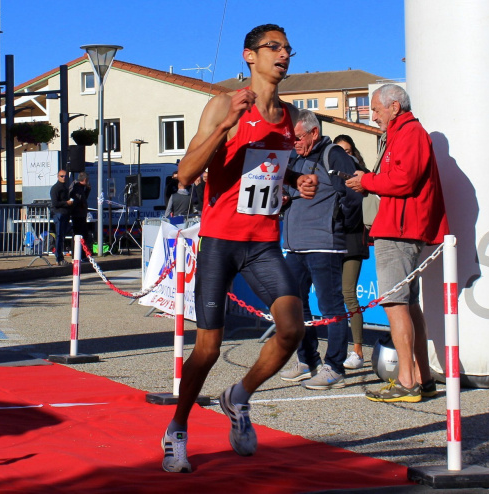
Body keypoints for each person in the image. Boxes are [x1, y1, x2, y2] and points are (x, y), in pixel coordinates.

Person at [160, 24, 318, 474]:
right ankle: (177, 429)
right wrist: (227, 125)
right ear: (250, 56)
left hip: (263, 244)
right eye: (274, 48)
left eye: (288, 48)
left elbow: (268, 169)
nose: (283, 54)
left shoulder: (288, 116)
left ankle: (239, 396)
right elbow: (186, 173)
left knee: (292, 329)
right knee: (208, 350)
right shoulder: (222, 104)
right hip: (220, 242)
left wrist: (295, 180)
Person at [346, 84, 449, 403]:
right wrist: (370, 182)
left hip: (401, 229)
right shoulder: (403, 133)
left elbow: (404, 180)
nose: (373, 115)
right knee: (405, 303)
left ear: (394, 106)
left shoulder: (409, 133)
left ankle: (408, 380)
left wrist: (367, 180)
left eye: (376, 109)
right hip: (399, 226)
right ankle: (422, 377)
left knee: (394, 302)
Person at [278, 111, 363, 390]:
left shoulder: (333, 154)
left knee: (331, 307)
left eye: (298, 137)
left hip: (325, 246)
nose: (294, 143)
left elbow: (352, 194)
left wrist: (338, 227)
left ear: (314, 133)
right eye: (291, 138)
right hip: (295, 245)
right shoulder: (295, 158)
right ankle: (308, 361)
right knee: (294, 305)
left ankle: (335, 366)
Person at [334, 134, 370, 369]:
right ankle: (336, 350)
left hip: (353, 239)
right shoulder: (330, 174)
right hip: (332, 239)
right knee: (334, 297)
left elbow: (358, 205)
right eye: (339, 151)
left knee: (348, 293)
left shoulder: (361, 176)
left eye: (347, 151)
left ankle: (357, 350)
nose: (344, 155)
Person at [50, 170, 73, 266]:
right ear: (58, 176)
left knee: (62, 236)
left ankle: (60, 257)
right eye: (61, 176)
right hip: (59, 214)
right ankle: (58, 258)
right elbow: (55, 203)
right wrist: (66, 203)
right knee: (59, 236)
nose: (63, 178)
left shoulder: (65, 187)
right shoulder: (56, 188)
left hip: (65, 213)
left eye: (65, 176)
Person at [69, 172, 92, 247]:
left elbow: (84, 198)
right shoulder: (76, 186)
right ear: (85, 179)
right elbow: (76, 198)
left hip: (82, 214)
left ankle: (82, 252)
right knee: (79, 233)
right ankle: (77, 252)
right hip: (77, 214)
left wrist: (87, 190)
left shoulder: (81, 187)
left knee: (84, 233)